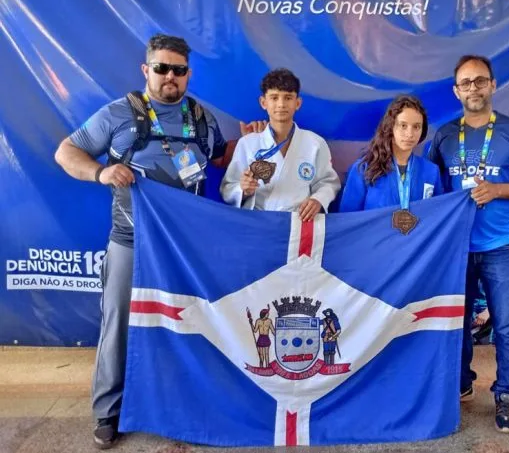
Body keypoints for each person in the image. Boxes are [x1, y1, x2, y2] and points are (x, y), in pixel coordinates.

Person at [54, 34, 265, 450]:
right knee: (118, 326)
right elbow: (66, 152)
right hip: (131, 240)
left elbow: (218, 159)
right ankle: (108, 412)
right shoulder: (118, 114)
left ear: (188, 75)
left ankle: (183, 404)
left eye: (179, 70)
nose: (171, 76)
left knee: (189, 322)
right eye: (163, 68)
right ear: (146, 70)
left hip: (184, 247)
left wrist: (251, 140)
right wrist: (100, 173)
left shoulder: (200, 118)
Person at [428, 55, 509, 434]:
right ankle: (461, 381)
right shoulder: (444, 136)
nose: (473, 88)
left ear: (492, 85)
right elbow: (432, 191)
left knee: (507, 325)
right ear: (456, 91)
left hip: (501, 247)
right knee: (455, 322)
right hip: (456, 249)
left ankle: (506, 394)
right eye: (466, 83)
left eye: (480, 81)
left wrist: (497, 190)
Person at [220, 68, 340, 220]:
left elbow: (328, 182)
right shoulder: (247, 144)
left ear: (298, 103)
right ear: (263, 102)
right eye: (274, 98)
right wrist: (243, 190)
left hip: (299, 223)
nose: (281, 104)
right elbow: (227, 188)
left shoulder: (315, 143)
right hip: (259, 222)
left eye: (288, 98)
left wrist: (318, 200)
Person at [339, 95, 443, 213]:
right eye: (403, 126)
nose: (410, 134)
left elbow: (437, 217)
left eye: (416, 127)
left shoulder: (431, 171)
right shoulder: (364, 169)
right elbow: (347, 219)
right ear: (390, 127)